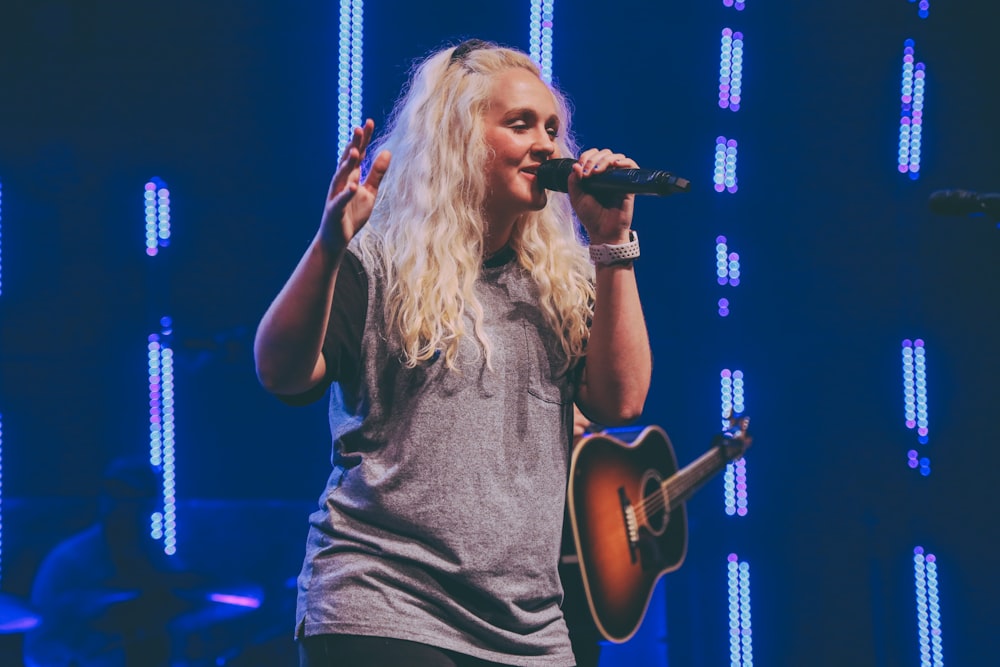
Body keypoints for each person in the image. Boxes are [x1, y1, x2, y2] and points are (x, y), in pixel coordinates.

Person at [253, 38, 653, 667]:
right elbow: (280, 372)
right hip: (387, 602)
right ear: (459, 137)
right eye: (519, 124)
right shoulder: (379, 264)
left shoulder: (560, 285)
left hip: (528, 627)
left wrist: (613, 243)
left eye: (552, 127)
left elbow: (621, 400)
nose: (546, 144)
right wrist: (329, 245)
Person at [23, 457, 201, 667]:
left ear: (149, 502)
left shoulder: (160, 558)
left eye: (131, 495)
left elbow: (183, 621)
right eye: (114, 493)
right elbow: (40, 646)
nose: (120, 503)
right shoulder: (69, 562)